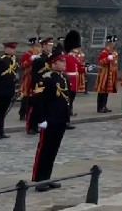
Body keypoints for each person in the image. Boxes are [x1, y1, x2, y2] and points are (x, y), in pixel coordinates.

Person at [32, 31, 78, 191]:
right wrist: (41, 119)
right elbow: (37, 100)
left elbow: (65, 100)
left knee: (53, 151)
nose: (64, 63)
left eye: (64, 61)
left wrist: (66, 119)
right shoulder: (45, 78)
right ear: (53, 63)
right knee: (44, 151)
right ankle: (39, 180)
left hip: (59, 120)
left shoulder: (63, 77)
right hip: (49, 120)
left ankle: (47, 177)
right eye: (61, 61)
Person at [0, 41, 18, 139]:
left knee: (3, 112)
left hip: (9, 89)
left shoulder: (14, 60)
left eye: (14, 49)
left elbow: (13, 76)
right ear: (6, 49)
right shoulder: (1, 61)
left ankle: (1, 131)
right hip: (1, 89)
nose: (14, 50)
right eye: (12, 48)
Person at [95, 35, 119, 113]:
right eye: (112, 42)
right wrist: (107, 59)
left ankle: (104, 105)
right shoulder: (104, 52)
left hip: (110, 73)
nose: (114, 44)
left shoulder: (113, 52)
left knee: (107, 92)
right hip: (104, 74)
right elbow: (100, 62)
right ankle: (100, 107)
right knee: (102, 91)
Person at [18, 37, 40, 121]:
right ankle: (22, 113)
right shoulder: (27, 54)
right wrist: (31, 59)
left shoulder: (39, 54)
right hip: (28, 77)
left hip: (36, 77)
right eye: (36, 46)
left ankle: (30, 113)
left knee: (33, 97)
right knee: (26, 96)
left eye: (38, 46)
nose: (38, 48)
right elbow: (23, 65)